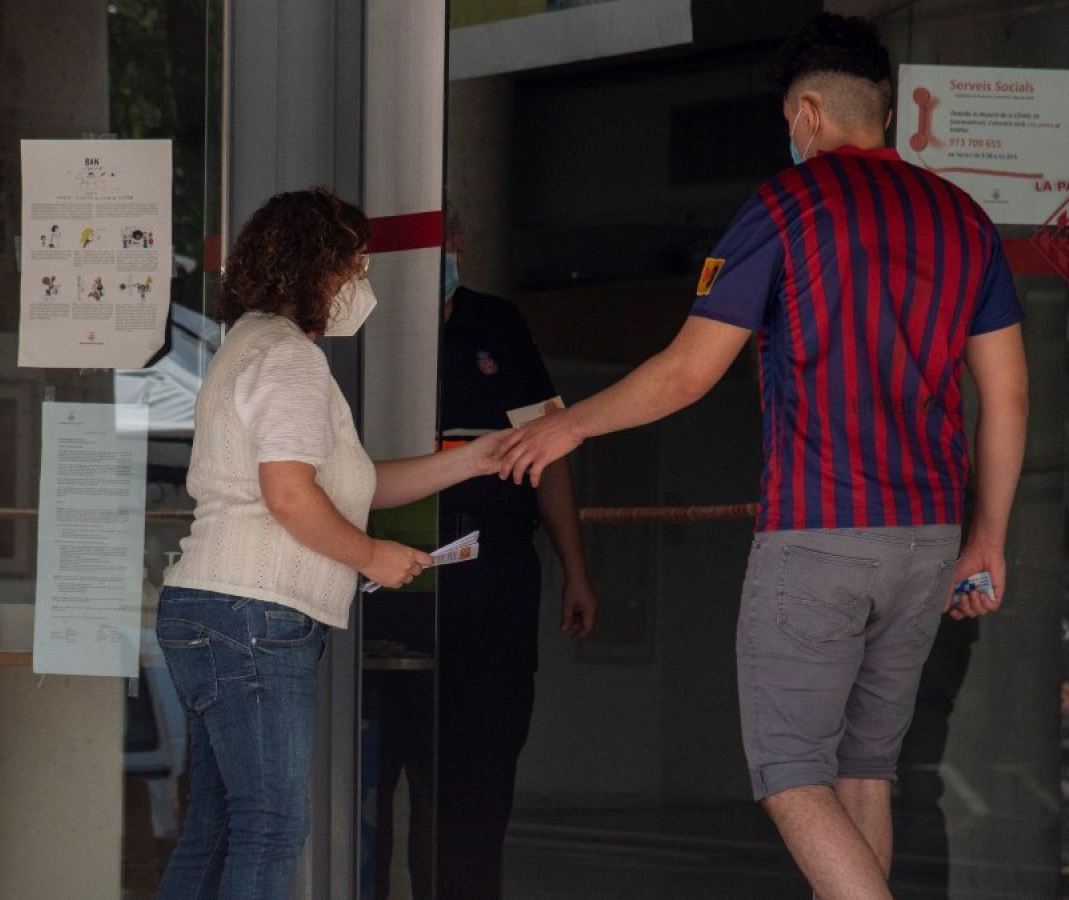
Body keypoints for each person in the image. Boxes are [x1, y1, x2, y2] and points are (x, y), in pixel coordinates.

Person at [496, 14, 1027, 900]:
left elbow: (686, 373)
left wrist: (568, 427)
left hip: (818, 532)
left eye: (790, 120)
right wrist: (991, 537)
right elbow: (1005, 396)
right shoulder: (963, 218)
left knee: (790, 774)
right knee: (865, 772)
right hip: (929, 536)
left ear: (809, 112)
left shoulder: (787, 205)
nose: (790, 134)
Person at [157, 188, 509, 898]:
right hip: (255, 616)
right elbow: (291, 495)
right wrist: (372, 555)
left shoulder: (249, 345)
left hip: (212, 607)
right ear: (316, 268)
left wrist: (473, 458)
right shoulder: (289, 361)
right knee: (271, 825)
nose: (361, 285)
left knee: (219, 824)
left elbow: (355, 483)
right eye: (357, 266)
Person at [370, 227, 597, 900]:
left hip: (488, 574)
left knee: (472, 790)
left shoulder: (495, 322)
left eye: (448, 235)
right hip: (381, 571)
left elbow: (548, 452)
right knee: (364, 787)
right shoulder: (357, 323)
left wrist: (575, 567)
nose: (440, 252)